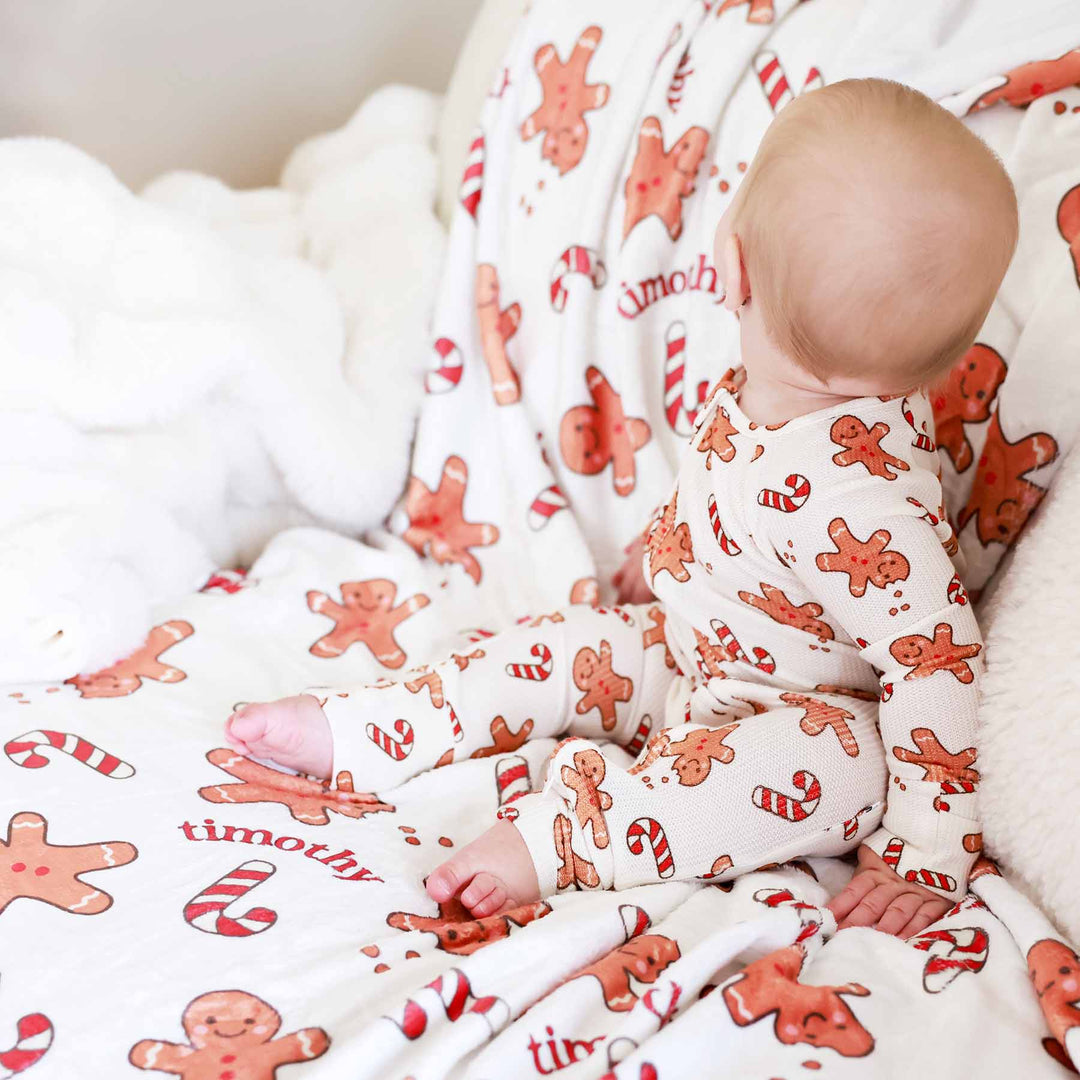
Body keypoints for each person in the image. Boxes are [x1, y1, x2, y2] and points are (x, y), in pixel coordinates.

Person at [223, 79, 1016, 940]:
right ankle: (375, 726)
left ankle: (563, 840)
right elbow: (735, 492)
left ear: (734, 265)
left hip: (797, 716)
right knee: (553, 648)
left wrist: (927, 851)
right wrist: (673, 550)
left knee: (836, 765)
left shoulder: (868, 502)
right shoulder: (789, 376)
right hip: (687, 652)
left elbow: (936, 664)